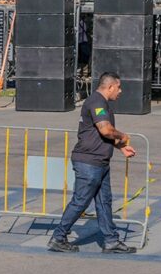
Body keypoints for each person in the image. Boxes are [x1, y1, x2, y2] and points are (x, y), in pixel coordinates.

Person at [48, 72, 137, 254]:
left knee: (104, 202)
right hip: (89, 162)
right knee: (81, 201)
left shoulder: (102, 103)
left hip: (100, 161)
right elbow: (105, 130)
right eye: (118, 88)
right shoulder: (97, 102)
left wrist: (121, 147)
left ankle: (111, 241)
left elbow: (100, 135)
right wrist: (123, 136)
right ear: (110, 86)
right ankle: (58, 237)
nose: (120, 92)